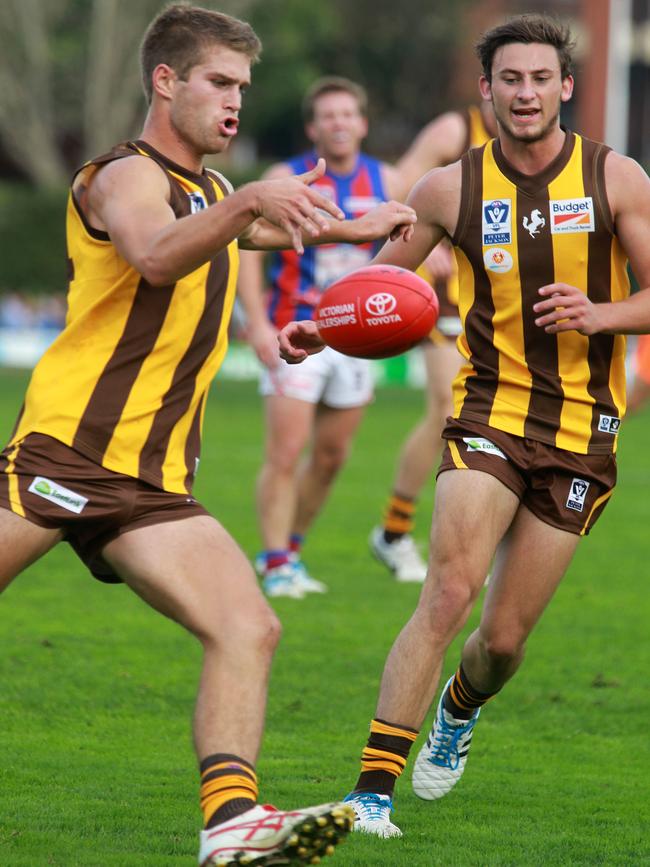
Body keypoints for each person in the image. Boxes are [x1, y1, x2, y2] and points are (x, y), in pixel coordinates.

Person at [0, 6, 417, 865]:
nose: (235, 103)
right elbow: (155, 253)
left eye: (242, 89)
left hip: (152, 482)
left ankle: (230, 822)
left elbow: (264, 227)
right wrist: (261, 200)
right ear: (166, 80)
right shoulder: (121, 177)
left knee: (248, 625)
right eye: (220, 84)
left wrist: (362, 224)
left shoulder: (217, 194)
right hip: (68, 453)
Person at [278, 12, 650, 838]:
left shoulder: (617, 178)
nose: (525, 93)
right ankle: (369, 793)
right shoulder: (447, 187)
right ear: (487, 90)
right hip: (487, 411)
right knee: (446, 589)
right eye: (508, 79)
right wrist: (318, 324)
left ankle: (460, 705)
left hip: (584, 430)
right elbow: (378, 286)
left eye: (539, 79)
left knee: (503, 643)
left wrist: (603, 312)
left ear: (566, 87)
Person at [237, 77, 404, 599]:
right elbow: (243, 246)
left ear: (363, 123)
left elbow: (408, 246)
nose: (338, 123)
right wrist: (257, 323)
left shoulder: (389, 177)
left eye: (347, 114)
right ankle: (274, 561)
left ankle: (291, 550)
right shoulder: (284, 178)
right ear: (312, 127)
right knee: (286, 452)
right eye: (327, 116)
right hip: (293, 329)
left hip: (354, 335)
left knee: (332, 458)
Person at [369, 101, 497, 583]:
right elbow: (396, 182)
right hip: (440, 295)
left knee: (492, 414)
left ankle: (482, 543)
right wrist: (432, 239)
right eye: (507, 77)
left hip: (494, 300)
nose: (522, 92)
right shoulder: (455, 129)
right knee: (449, 406)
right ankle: (394, 532)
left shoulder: (545, 146)